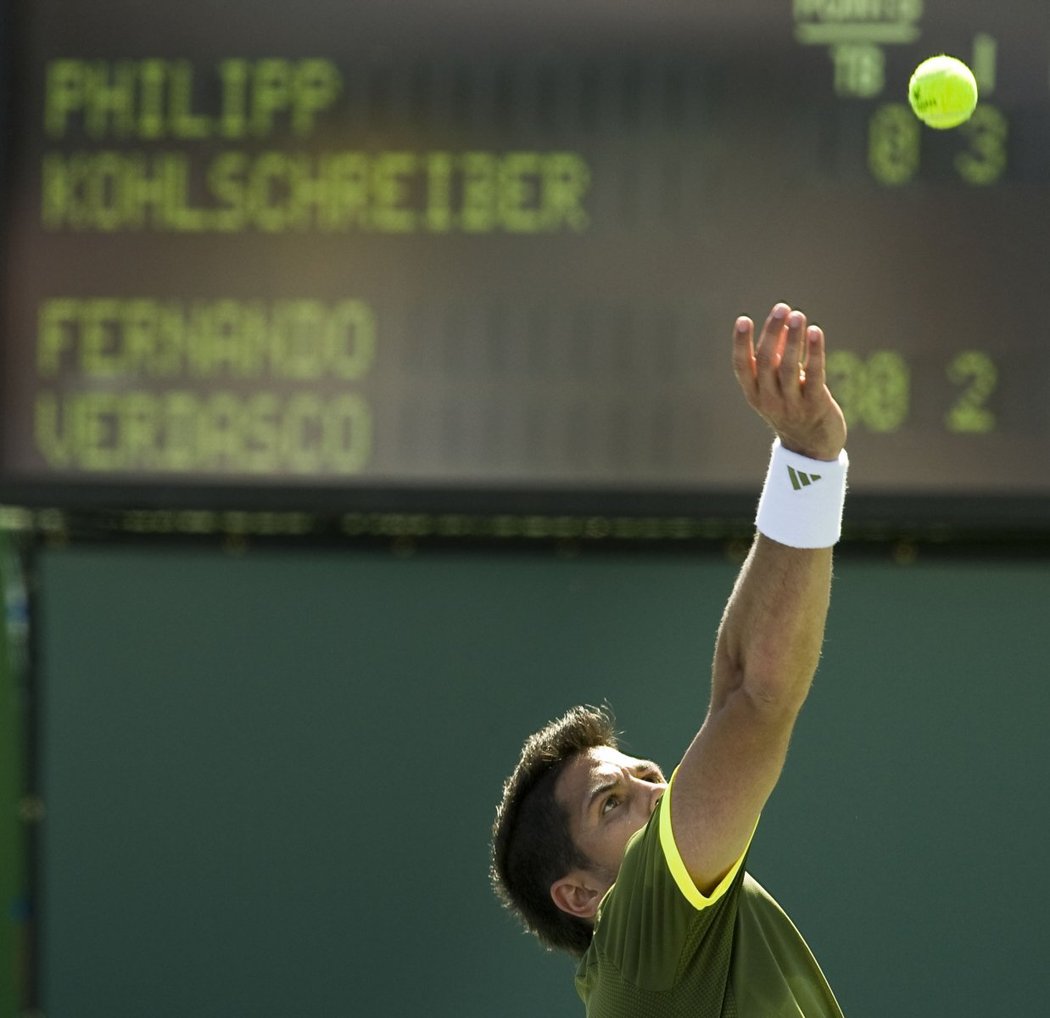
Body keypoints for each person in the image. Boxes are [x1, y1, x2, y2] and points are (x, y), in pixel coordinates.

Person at [490, 302, 850, 1016]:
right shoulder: (642, 940)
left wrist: (799, 460)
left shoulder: (658, 954)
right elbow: (760, 697)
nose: (658, 794)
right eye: (614, 804)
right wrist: (811, 461)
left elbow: (735, 691)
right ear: (583, 895)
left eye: (644, 775)